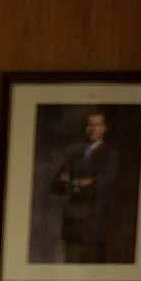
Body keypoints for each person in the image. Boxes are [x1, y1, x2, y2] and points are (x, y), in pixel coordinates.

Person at [49, 108, 118, 262]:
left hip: (94, 225)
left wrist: (75, 183)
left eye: (97, 125)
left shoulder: (110, 154)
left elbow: (103, 184)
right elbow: (55, 185)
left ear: (104, 128)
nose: (93, 129)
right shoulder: (73, 152)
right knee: (70, 271)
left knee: (92, 274)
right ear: (86, 128)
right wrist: (82, 182)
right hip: (72, 224)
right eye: (90, 125)